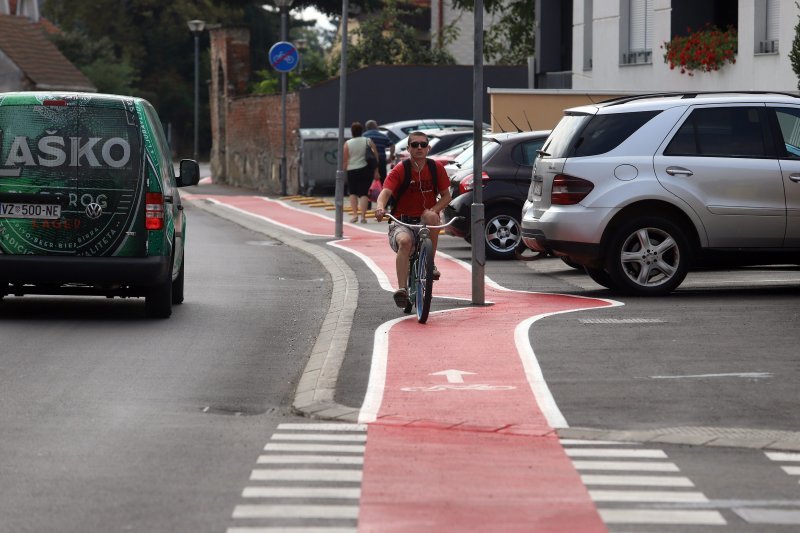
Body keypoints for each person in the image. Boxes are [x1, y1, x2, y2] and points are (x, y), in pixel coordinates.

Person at [374, 131, 451, 308]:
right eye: (414, 145)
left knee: (432, 216)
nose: (419, 148)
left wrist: (434, 209)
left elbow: (447, 196)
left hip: (424, 220)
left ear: (428, 148)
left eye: (423, 145)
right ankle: (402, 290)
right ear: (408, 148)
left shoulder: (435, 168)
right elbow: (385, 193)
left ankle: (430, 264)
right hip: (403, 221)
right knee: (405, 241)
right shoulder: (401, 169)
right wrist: (380, 207)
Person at [342, 121, 379, 223]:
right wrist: (376, 170)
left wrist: (344, 171)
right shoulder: (368, 141)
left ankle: (355, 215)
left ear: (352, 132)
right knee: (364, 193)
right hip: (366, 169)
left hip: (351, 170)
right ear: (361, 131)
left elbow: (345, 160)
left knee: (353, 193)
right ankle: (363, 217)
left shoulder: (347, 143)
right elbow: (375, 156)